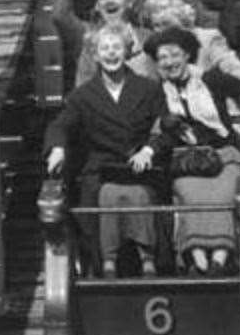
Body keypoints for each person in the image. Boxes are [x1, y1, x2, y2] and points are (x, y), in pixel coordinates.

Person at [44, 25, 169, 278]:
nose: (111, 54)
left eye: (117, 48)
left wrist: (149, 151)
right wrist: (57, 147)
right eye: (105, 49)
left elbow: (166, 128)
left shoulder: (149, 88)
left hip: (142, 167)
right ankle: (104, 263)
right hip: (101, 169)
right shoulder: (82, 96)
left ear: (127, 52)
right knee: (95, 197)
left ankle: (151, 259)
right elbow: (61, 125)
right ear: (96, 56)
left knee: (149, 195)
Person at [148, 26, 240, 275]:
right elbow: (158, 129)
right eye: (163, 58)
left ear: (187, 55)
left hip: (224, 155)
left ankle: (220, 260)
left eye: (175, 55)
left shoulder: (210, 78)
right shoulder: (157, 92)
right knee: (190, 195)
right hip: (187, 161)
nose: (170, 63)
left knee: (223, 195)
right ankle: (199, 262)